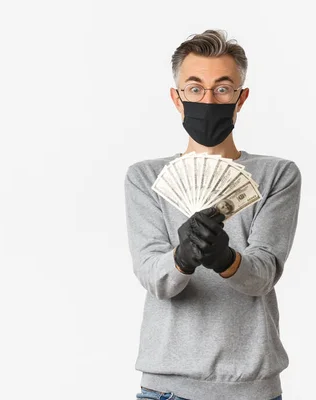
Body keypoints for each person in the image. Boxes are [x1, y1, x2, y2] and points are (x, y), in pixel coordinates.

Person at [124, 29, 302, 400]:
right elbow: (157, 281)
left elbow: (262, 277)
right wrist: (182, 257)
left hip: (253, 388)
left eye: (222, 89)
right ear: (177, 99)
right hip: (166, 389)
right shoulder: (146, 178)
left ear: (241, 98)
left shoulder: (277, 175)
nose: (208, 98)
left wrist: (227, 259)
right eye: (195, 88)